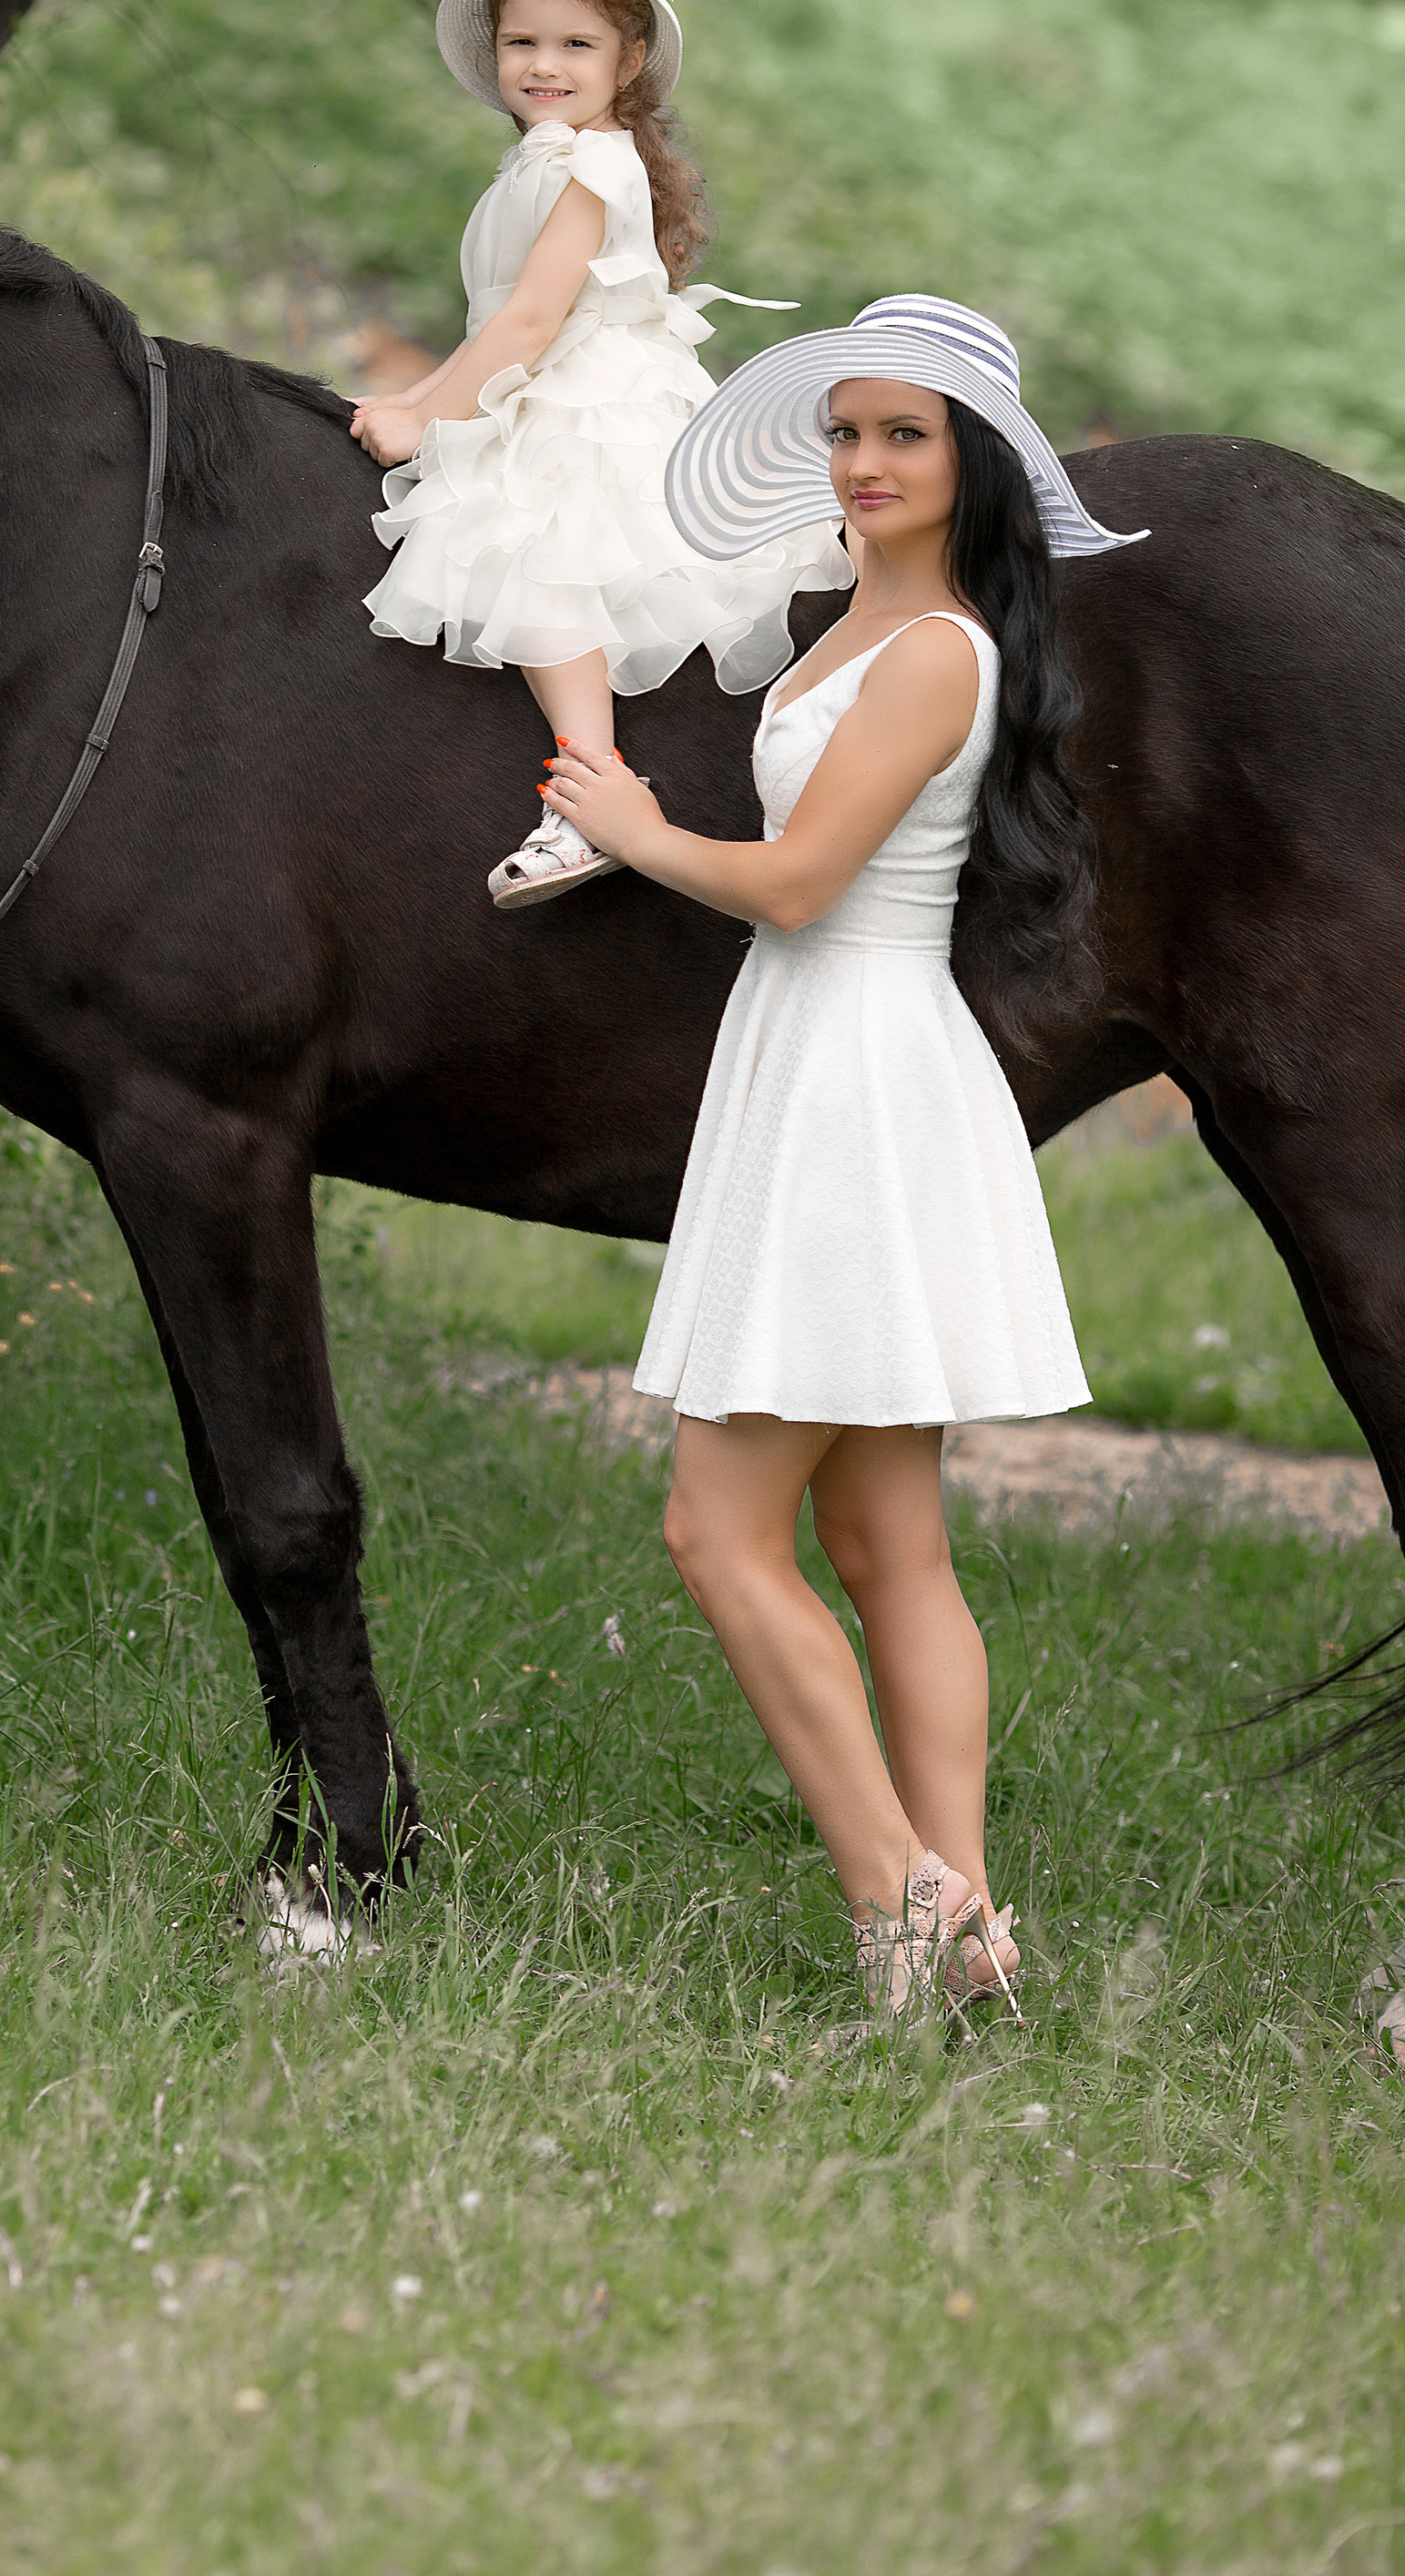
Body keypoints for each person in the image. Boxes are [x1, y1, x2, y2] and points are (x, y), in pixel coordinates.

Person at [540, 295, 1147, 2016]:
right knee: (888, 1549)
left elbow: (802, 885)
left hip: (856, 1072)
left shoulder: (943, 646)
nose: (864, 463)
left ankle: (908, 1900)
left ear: (976, 470)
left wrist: (641, 830)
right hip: (816, 1059)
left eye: (906, 435)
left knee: (719, 1535)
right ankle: (962, 1950)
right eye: (848, 430)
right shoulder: (845, 625)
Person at [352, 0, 848, 908]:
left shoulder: (590, 160)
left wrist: (429, 419)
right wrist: (414, 392)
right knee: (503, 515)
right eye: (521, 42)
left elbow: (533, 320)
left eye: (574, 44)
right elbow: (498, 319)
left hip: (591, 392)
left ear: (627, 64)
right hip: (542, 370)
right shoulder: (543, 154)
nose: (544, 64)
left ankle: (589, 793)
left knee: (536, 545)